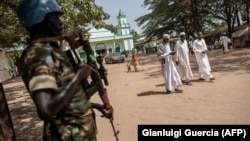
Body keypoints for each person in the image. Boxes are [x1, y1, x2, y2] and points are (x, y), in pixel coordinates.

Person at [17, 0, 113, 140]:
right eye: (57, 18)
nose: (61, 23)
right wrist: (79, 76)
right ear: (44, 21)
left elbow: (69, 99)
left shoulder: (52, 52)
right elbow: (46, 109)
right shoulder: (39, 55)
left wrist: (98, 105)